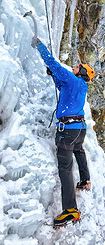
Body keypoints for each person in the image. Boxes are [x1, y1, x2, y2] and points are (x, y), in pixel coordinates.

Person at [31, 37, 95, 227]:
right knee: (79, 150)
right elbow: (61, 86)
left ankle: (70, 210)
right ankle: (85, 179)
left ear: (81, 72)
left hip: (68, 130)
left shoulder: (74, 81)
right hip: (79, 129)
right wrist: (54, 75)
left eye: (77, 67)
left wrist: (40, 47)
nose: (74, 68)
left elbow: (53, 63)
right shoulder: (80, 85)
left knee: (65, 168)